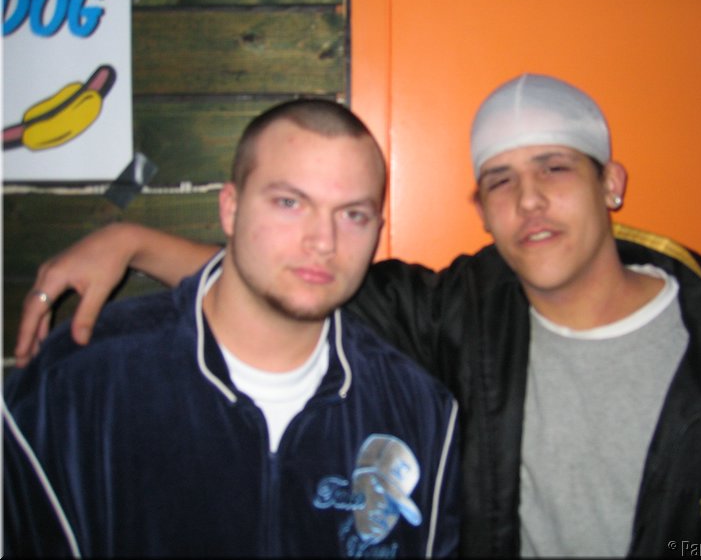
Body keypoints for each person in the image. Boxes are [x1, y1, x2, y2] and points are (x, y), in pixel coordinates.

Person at [12, 74, 701, 557]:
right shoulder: (463, 318)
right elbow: (299, 280)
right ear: (481, 208)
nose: (528, 200)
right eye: (500, 180)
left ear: (611, 183)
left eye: (555, 167)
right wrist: (132, 240)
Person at [3, 99, 461, 558]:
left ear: (377, 230)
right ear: (230, 208)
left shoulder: (421, 411)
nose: (323, 242)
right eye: (289, 203)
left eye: (352, 215)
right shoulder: (74, 385)